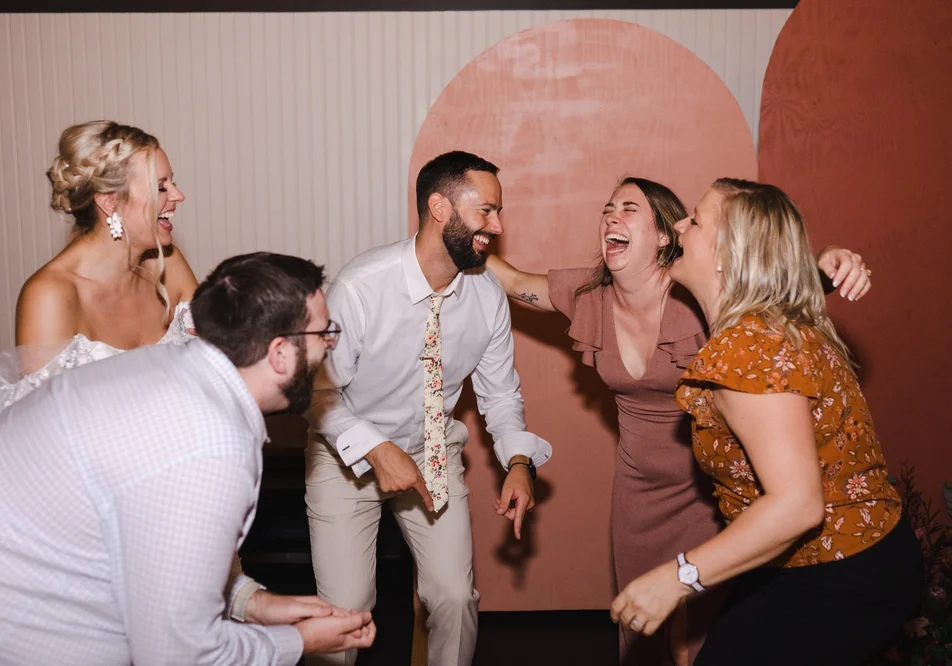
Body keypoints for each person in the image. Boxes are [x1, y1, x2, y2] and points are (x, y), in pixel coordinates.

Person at [485, 176, 872, 664]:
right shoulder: (589, 297)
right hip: (639, 486)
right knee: (640, 624)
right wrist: (463, 236)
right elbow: (518, 283)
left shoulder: (696, 289)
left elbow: (769, 280)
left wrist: (829, 258)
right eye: (607, 208)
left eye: (629, 208)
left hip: (710, 487)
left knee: (703, 641)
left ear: (665, 235)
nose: (611, 216)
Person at [0, 252, 377, 665]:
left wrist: (252, 602)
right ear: (280, 353)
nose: (330, 346)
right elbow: (181, 654)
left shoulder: (176, 366)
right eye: (324, 333)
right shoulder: (210, 446)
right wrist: (295, 642)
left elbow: (152, 556)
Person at [609, 179, 923, 665]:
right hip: (831, 558)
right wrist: (830, 257)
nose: (680, 225)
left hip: (840, 574)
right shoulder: (774, 320)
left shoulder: (747, 347)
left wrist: (678, 577)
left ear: (728, 254)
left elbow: (797, 506)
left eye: (695, 218)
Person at [304, 150, 553, 666]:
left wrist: (519, 463)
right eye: (486, 211)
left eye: (497, 212)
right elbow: (318, 394)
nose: (497, 226)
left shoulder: (486, 298)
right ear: (439, 209)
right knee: (346, 616)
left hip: (433, 452)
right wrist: (375, 448)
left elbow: (500, 395)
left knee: (455, 599)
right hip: (344, 456)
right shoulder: (361, 287)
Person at [0, 120, 199, 417]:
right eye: (161, 187)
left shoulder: (169, 261)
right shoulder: (51, 296)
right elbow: (43, 430)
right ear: (111, 202)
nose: (178, 196)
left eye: (173, 182)